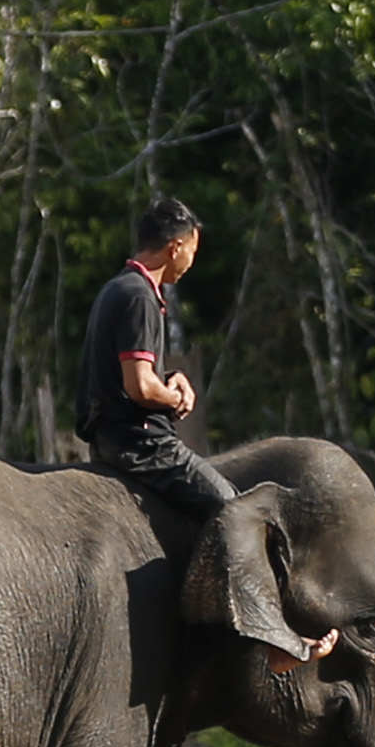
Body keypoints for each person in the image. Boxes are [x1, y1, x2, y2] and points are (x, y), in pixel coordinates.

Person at [76, 196, 237, 516]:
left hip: (112, 439)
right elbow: (140, 388)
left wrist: (168, 379)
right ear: (176, 248)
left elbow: (128, 376)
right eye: (193, 250)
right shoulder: (139, 296)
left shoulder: (117, 288)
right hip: (141, 444)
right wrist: (174, 398)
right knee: (232, 508)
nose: (192, 260)